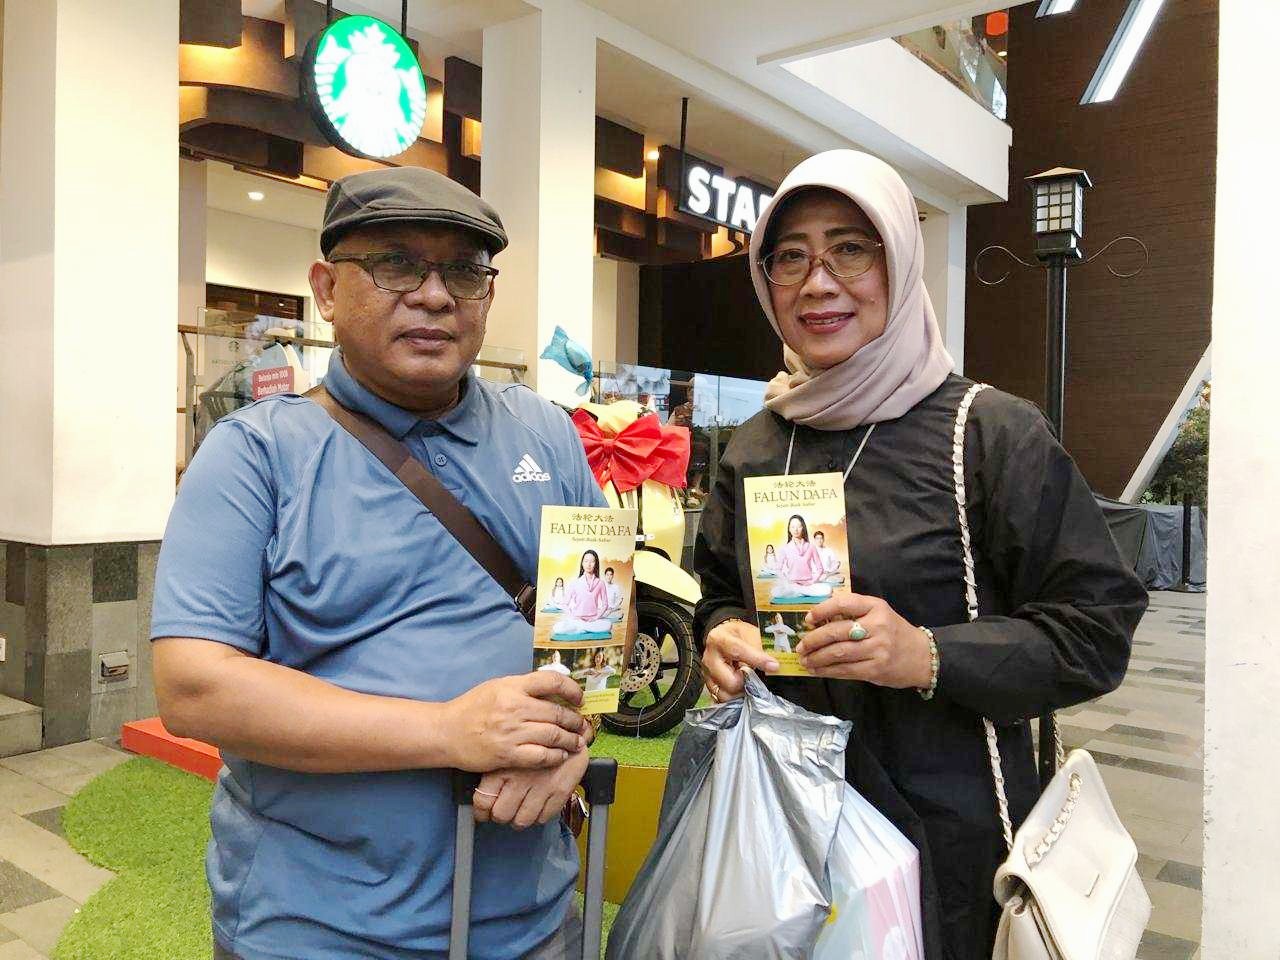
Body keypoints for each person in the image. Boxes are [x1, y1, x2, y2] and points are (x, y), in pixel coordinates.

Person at [693, 150, 1147, 958]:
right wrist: (721, 634)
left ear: (900, 263)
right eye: (789, 257)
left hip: (953, 849)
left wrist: (926, 654)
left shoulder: (989, 434)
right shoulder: (758, 445)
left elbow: (1096, 630)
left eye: (850, 250)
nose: (817, 283)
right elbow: (721, 591)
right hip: (785, 835)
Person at [151, 166, 610, 960]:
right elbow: (194, 686)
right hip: (317, 929)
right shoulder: (255, 454)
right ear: (327, 289)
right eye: (397, 264)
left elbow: (597, 630)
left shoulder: (546, 433)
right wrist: (448, 731)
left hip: (532, 917)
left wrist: (572, 736)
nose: (434, 296)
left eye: (463, 271)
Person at [769, 514, 834, 602]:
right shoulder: (785, 548)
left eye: (799, 526)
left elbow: (820, 569)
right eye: (793, 527)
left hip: (808, 585)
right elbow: (778, 569)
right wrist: (787, 581)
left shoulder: (811, 547)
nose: (796, 530)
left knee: (828, 589)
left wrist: (812, 581)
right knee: (775, 592)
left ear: (803, 528)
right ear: (789, 529)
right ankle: (801, 591)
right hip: (792, 584)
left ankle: (798, 592)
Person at [552, 550, 614, 636]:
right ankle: (585, 628)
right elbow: (564, 604)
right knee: (557, 628)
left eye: (592, 561)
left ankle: (580, 629)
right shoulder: (575, 582)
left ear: (596, 564)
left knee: (608, 625)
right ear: (582, 563)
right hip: (577, 619)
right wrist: (572, 616)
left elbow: (605, 605)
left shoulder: (600, 583)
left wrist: (596, 617)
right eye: (586, 561)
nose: (589, 564)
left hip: (593, 620)